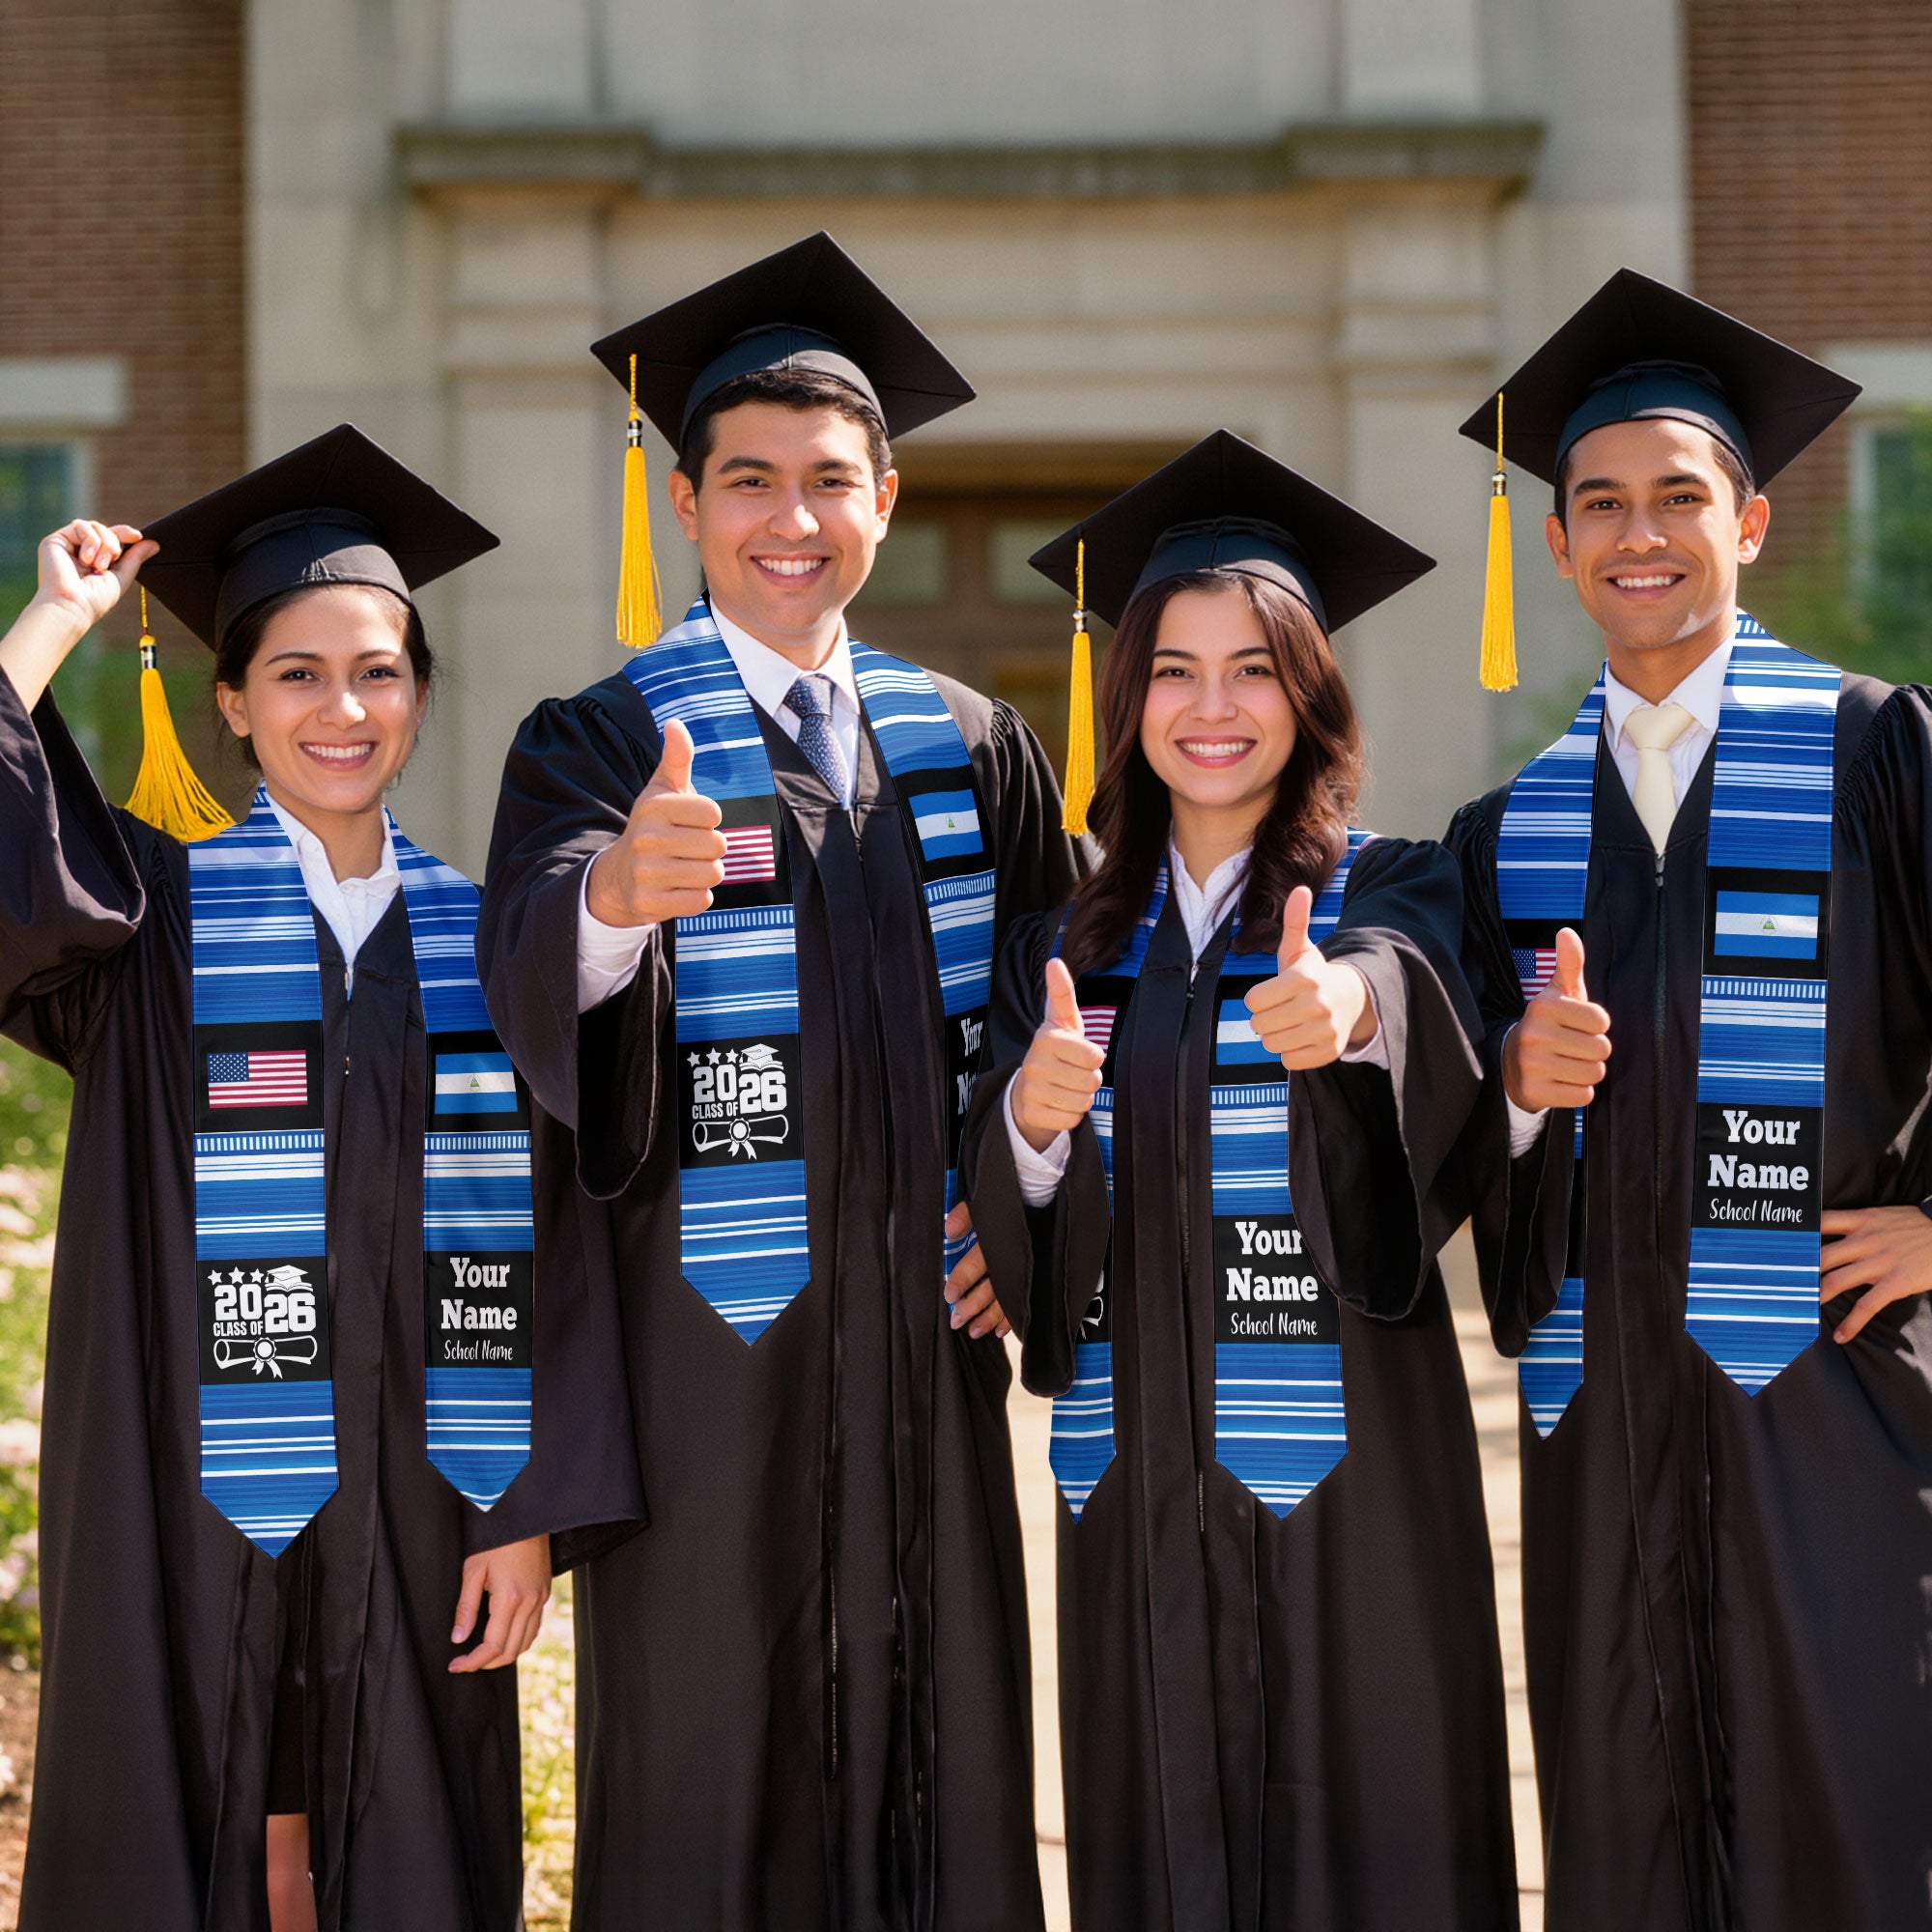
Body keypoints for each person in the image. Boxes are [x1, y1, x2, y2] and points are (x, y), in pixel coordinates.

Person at [477, 233, 1081, 1930]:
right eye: (749, 481)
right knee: (709, 1770)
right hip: (706, 1361)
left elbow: (1072, 1005)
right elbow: (529, 959)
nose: (790, 519)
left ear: (886, 497)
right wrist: (611, 900)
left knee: (941, 1754)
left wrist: (1023, 1203)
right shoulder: (601, 738)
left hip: (922, 1351)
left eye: (830, 480)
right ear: (686, 504)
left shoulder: (971, 739)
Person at [0, 425, 640, 1931]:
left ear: (419, 694)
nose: (340, 708)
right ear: (230, 702)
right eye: (295, 673)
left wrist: (527, 1507)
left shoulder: (493, 942)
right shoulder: (146, 920)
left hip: (429, 1491)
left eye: (378, 671)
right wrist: (51, 624)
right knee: (197, 1810)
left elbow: (560, 1240)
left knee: (405, 1837)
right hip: (185, 1481)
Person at [961, 431, 1518, 1930]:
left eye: (1256, 668)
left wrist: (1350, 1014)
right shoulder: (1064, 947)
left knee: (1378, 1830)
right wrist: (1028, 1120)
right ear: (1126, 696)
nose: (1214, 708)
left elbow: (1419, 999)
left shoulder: (1394, 887)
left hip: (1354, 1473)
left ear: (1312, 692)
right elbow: (1019, 1224)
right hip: (1134, 1472)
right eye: (1175, 670)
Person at [1446, 270, 1932, 1930]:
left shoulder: (1879, 752)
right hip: (1608, 1421)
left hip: (1837, 1395)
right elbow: (1450, 1142)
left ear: (1752, 520)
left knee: (1855, 1803)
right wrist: (1514, 1091)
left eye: (1678, 497)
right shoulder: (1507, 834)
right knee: (1625, 1816)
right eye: (1599, 504)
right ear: (1562, 543)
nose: (1637, 534)